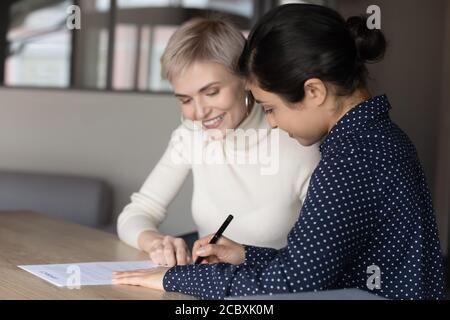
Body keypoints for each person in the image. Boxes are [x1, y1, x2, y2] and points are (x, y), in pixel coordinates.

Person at [112, 4, 445, 300]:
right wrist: (245, 254)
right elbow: (311, 269)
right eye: (184, 99)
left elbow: (291, 284)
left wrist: (177, 278)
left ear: (313, 91)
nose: (271, 122)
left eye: (270, 108)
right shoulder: (371, 139)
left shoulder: (350, 158)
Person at [116, 17, 320, 267]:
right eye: (185, 100)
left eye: (211, 92)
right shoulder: (190, 134)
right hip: (209, 290)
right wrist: (156, 242)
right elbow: (137, 213)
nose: (199, 113)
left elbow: (317, 259)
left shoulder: (297, 140)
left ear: (245, 78)